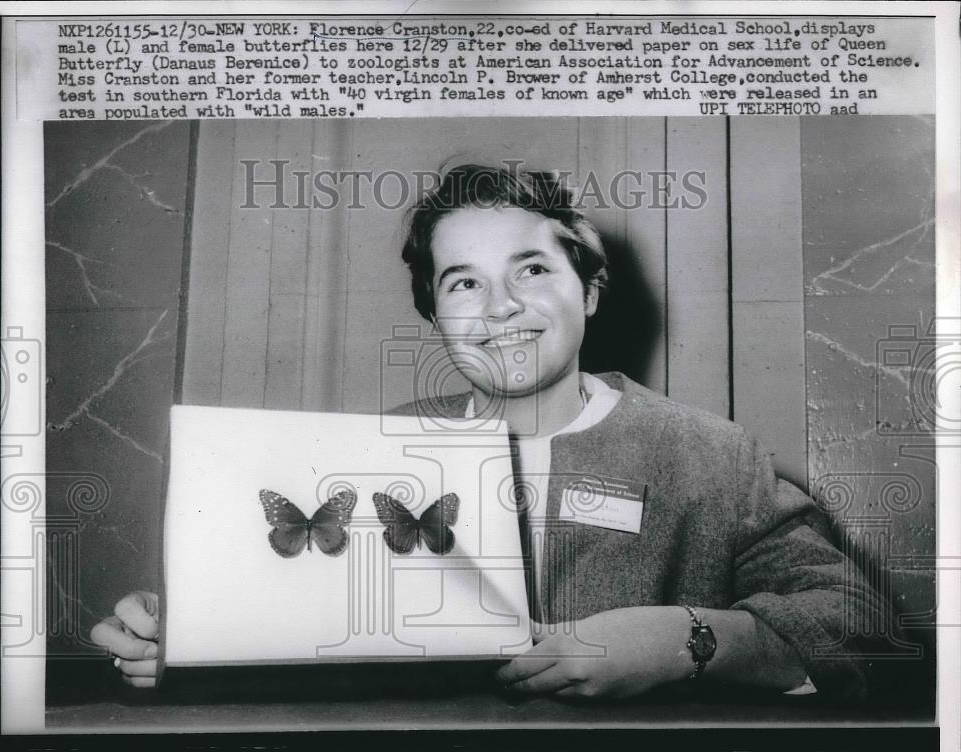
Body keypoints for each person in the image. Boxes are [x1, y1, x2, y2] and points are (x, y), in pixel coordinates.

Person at [92, 163, 879, 700]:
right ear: (437, 316)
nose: (499, 306)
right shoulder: (362, 456)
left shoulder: (711, 454)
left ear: (591, 292)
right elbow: (285, 620)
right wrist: (183, 642)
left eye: (532, 269)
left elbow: (861, 628)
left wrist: (688, 641)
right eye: (462, 281)